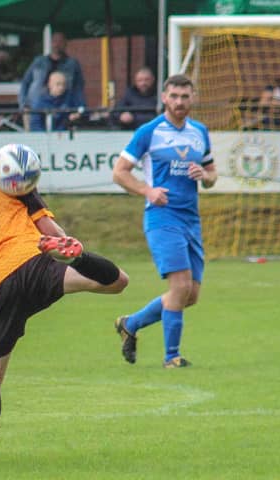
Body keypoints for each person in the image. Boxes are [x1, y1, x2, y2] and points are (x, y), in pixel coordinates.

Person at [0, 133, 129, 464]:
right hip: (36, 264)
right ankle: (78, 260)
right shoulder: (12, 185)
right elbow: (52, 233)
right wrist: (65, 245)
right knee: (118, 281)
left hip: (0, 285)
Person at [112, 74, 218, 369]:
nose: (180, 102)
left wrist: (205, 176)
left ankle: (130, 323)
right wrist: (147, 190)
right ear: (164, 98)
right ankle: (172, 357)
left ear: (193, 97)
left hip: (191, 219)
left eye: (185, 96)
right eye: (174, 96)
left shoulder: (200, 131)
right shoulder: (149, 131)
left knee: (190, 295)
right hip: (162, 217)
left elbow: (212, 174)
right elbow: (119, 172)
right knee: (180, 285)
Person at [18, 31, 85, 114]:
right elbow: (25, 82)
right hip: (34, 108)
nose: (57, 44)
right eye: (54, 41)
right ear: (51, 43)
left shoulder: (73, 64)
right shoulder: (39, 61)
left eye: (60, 41)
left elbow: (78, 88)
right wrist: (23, 104)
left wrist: (80, 109)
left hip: (61, 110)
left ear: (65, 44)